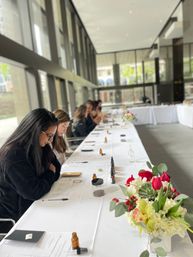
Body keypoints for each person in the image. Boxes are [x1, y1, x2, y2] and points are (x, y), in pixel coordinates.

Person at [0, 108, 61, 222]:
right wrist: (49, 174)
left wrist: (46, 178)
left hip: (35, 205)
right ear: (36, 131)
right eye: (49, 135)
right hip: (17, 216)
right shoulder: (13, 156)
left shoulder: (41, 146)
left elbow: (57, 168)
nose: (50, 140)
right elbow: (34, 192)